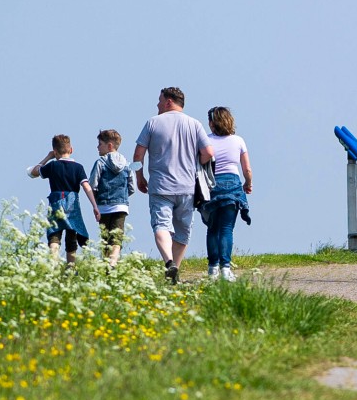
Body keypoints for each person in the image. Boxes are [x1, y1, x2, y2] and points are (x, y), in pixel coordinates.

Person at [134, 87, 213, 283]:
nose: (157, 105)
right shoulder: (195, 124)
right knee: (182, 232)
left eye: (160, 100)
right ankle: (174, 269)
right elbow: (208, 153)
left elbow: (138, 155)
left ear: (169, 101)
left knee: (161, 225)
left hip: (160, 186)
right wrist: (197, 164)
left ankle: (169, 262)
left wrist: (139, 176)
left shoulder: (153, 122)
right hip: (187, 187)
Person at [28, 134, 101, 265]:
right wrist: (94, 205)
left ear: (55, 151)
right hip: (72, 204)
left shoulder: (52, 166)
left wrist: (48, 157)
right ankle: (70, 268)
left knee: (54, 234)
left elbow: (33, 172)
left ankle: (53, 266)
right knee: (72, 235)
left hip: (56, 202)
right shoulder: (78, 167)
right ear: (71, 150)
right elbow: (86, 186)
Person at [202, 106, 253, 281]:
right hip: (232, 184)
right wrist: (248, 184)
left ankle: (212, 269)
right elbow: (247, 169)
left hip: (212, 186)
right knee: (226, 229)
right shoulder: (238, 140)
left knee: (212, 229)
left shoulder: (206, 141)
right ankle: (225, 269)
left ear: (212, 123)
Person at [89, 129, 135, 269]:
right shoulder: (126, 164)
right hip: (121, 206)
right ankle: (113, 262)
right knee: (117, 237)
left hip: (104, 206)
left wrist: (96, 201)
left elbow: (93, 185)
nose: (97, 147)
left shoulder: (100, 163)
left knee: (105, 237)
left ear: (109, 146)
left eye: (100, 144)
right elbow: (131, 187)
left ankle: (106, 263)